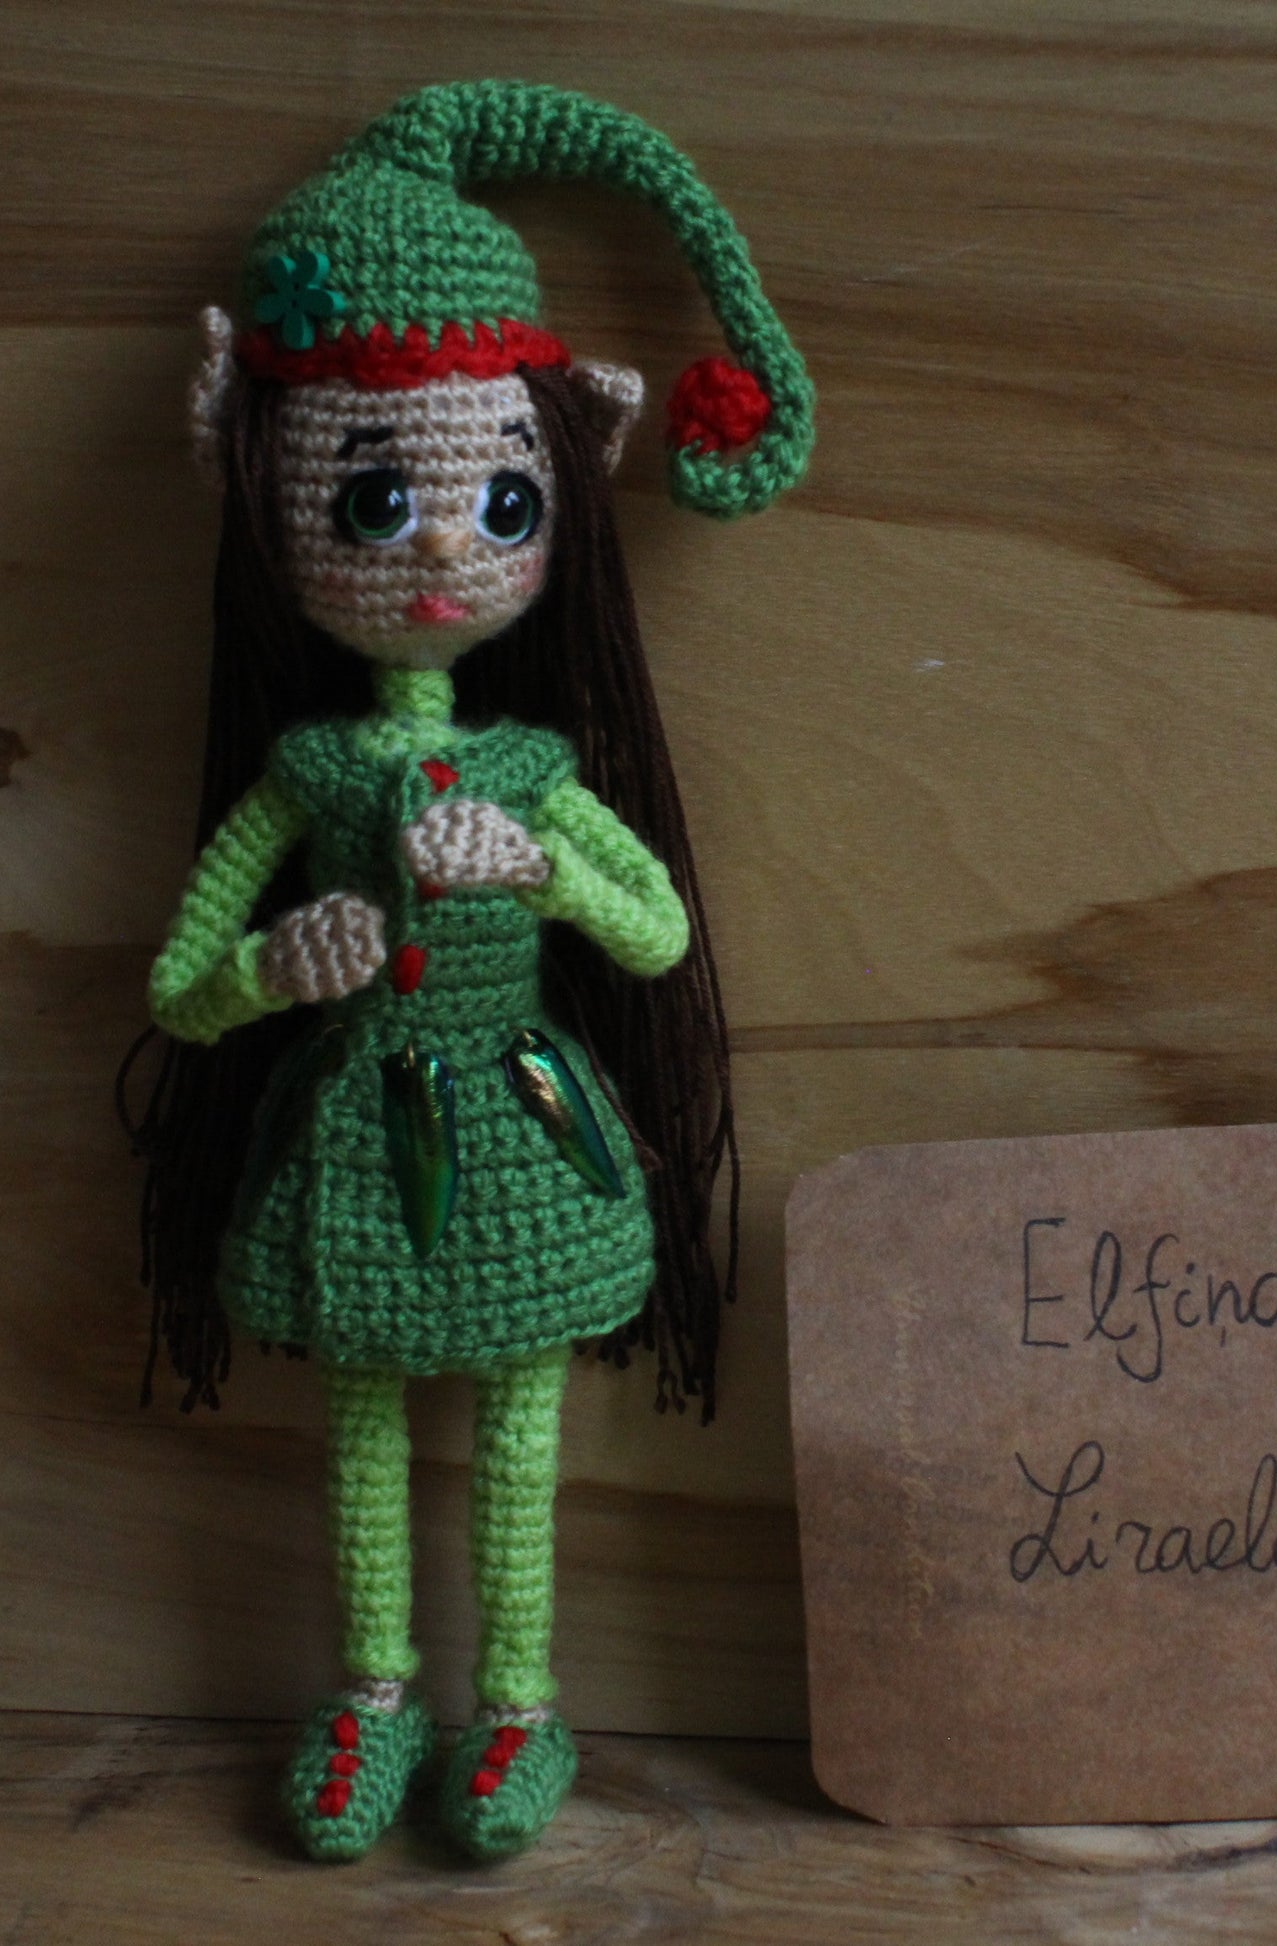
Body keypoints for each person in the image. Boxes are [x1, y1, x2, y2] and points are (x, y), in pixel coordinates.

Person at [126, 80, 812, 1860]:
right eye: (373, 497)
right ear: (250, 469)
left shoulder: (535, 771)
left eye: (500, 498)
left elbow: (656, 930)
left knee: (522, 1440)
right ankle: (371, 1691)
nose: (443, 547)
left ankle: (518, 1705)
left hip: (522, 1133)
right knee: (358, 1430)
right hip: (355, 1147)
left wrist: (546, 873)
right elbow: (182, 987)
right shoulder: (305, 777)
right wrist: (276, 965)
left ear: (569, 468)